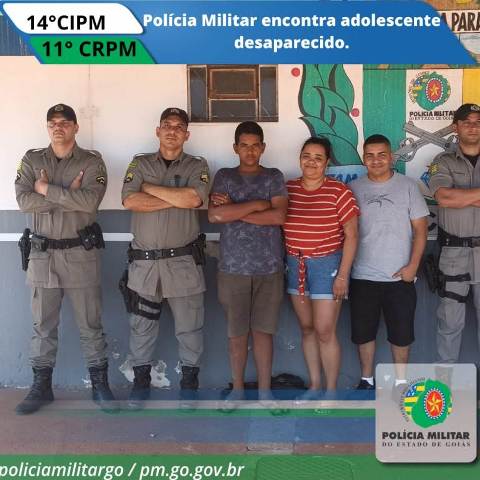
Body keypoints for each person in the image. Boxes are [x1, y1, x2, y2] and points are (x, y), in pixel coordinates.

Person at [14, 103, 114, 414]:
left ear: (76, 127)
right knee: (43, 326)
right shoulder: (32, 159)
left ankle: (100, 387)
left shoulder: (91, 161)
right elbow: (24, 201)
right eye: (53, 123)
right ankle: (41, 388)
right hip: (42, 256)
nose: (58, 127)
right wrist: (66, 194)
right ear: (48, 127)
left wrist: (45, 189)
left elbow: (90, 202)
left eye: (65, 122)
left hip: (79, 254)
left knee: (90, 325)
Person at [121, 107, 210, 408]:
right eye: (167, 125)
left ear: (187, 134)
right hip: (144, 265)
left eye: (179, 126)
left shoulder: (197, 164)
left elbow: (194, 198)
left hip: (183, 263)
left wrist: (149, 189)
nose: (172, 130)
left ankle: (189, 387)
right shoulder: (140, 163)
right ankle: (140, 384)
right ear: (157, 131)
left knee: (190, 329)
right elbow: (129, 200)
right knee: (141, 327)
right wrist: (175, 197)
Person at [208, 121, 287, 405]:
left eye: (255, 146)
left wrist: (234, 210)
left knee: (263, 333)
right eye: (244, 145)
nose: (250, 151)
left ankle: (265, 392)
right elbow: (215, 216)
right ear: (235, 148)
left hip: (269, 268)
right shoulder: (225, 176)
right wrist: (257, 205)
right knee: (237, 334)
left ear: (263, 147)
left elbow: (278, 217)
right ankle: (238, 390)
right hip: (233, 268)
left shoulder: (274, 176)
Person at [349, 134, 428, 391]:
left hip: (399, 277)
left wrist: (412, 267)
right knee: (363, 333)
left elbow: (421, 230)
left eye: (381, 155)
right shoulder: (353, 189)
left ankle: (401, 383)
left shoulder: (408, 186)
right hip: (362, 275)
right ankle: (366, 380)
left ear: (391, 157)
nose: (376, 160)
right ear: (363, 158)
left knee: (401, 335)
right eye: (370, 155)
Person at [284, 137, 359, 399]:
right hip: (295, 264)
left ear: (327, 163)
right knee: (307, 328)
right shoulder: (288, 189)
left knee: (325, 331)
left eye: (318, 158)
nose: (311, 162)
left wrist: (343, 275)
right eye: (307, 156)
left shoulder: (339, 191)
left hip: (328, 266)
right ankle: (315, 386)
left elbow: (352, 235)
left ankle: (331, 392)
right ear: (300, 159)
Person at [428, 104, 480, 364]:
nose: (473, 126)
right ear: (455, 126)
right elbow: (445, 198)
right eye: (466, 121)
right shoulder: (442, 161)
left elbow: (455, 197)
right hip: (453, 254)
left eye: (477, 121)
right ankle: (445, 386)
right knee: (449, 324)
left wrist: (463, 197)